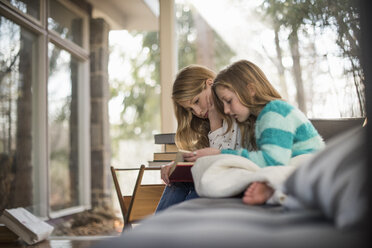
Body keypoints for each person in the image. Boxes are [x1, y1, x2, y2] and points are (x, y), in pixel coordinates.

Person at [188, 59, 325, 205]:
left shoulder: (276, 111)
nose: (226, 110)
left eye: (229, 101)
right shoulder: (253, 122)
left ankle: (272, 187)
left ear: (250, 90)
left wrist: (220, 154)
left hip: (311, 166)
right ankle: (273, 188)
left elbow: (272, 161)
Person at [156, 65, 241, 212]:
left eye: (196, 101)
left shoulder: (238, 110)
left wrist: (214, 119)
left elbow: (223, 160)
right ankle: (158, 231)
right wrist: (179, 164)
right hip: (222, 177)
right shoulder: (212, 121)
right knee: (177, 181)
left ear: (210, 83)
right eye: (190, 109)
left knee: (200, 185)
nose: (197, 112)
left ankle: (166, 230)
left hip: (234, 178)